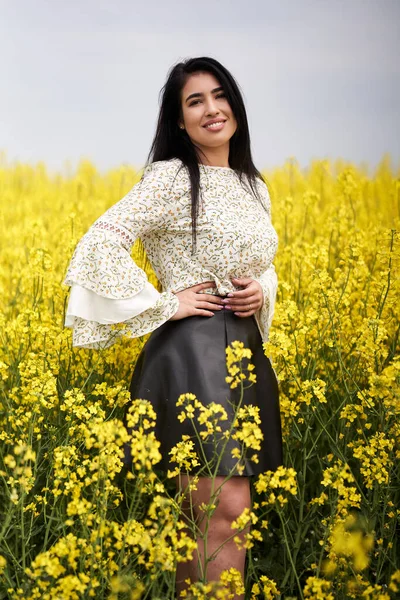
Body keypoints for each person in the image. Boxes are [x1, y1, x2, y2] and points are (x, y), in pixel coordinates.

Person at [63, 56, 283, 598]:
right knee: (217, 509)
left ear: (235, 103)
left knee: (235, 516)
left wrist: (261, 289)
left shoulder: (255, 186)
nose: (212, 109)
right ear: (178, 121)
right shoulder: (170, 178)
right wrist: (163, 304)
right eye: (195, 101)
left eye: (219, 95)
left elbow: (259, 262)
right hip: (192, 349)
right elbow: (100, 242)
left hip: (243, 347)